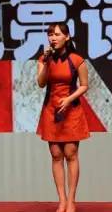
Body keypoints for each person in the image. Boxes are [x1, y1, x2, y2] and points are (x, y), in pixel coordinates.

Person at [36, 23, 90, 212]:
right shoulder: (44, 59)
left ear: (67, 37)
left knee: (71, 154)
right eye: (50, 34)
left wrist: (69, 99)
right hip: (51, 110)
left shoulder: (76, 60)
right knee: (56, 155)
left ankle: (71, 200)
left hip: (71, 110)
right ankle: (61, 200)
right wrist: (45, 61)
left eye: (57, 34)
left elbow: (84, 85)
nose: (53, 38)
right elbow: (41, 83)